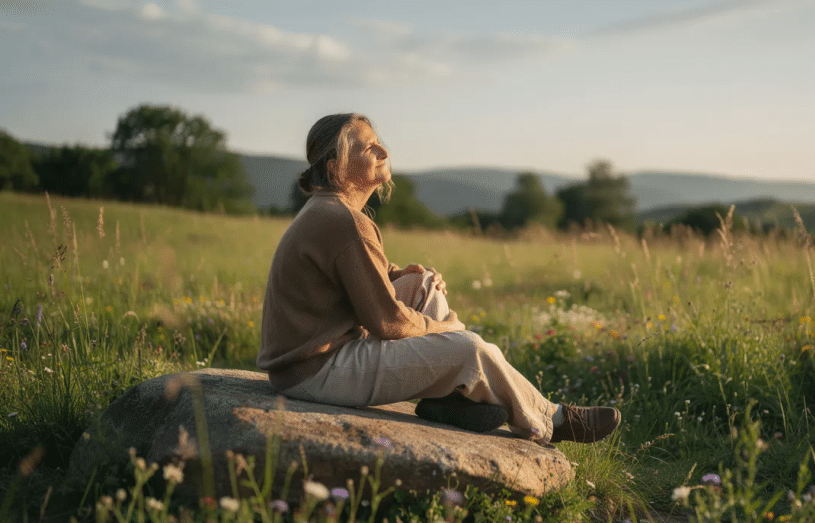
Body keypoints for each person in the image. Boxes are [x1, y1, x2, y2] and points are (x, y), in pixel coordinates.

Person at [257, 113, 620, 444]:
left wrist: (399, 275)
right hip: (316, 371)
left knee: (423, 282)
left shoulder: (333, 211)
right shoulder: (343, 221)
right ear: (337, 168)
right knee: (471, 348)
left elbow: (346, 280)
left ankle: (449, 399)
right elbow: (387, 322)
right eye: (368, 147)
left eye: (378, 141)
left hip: (317, 358)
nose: (383, 150)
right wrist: (444, 328)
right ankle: (551, 419)